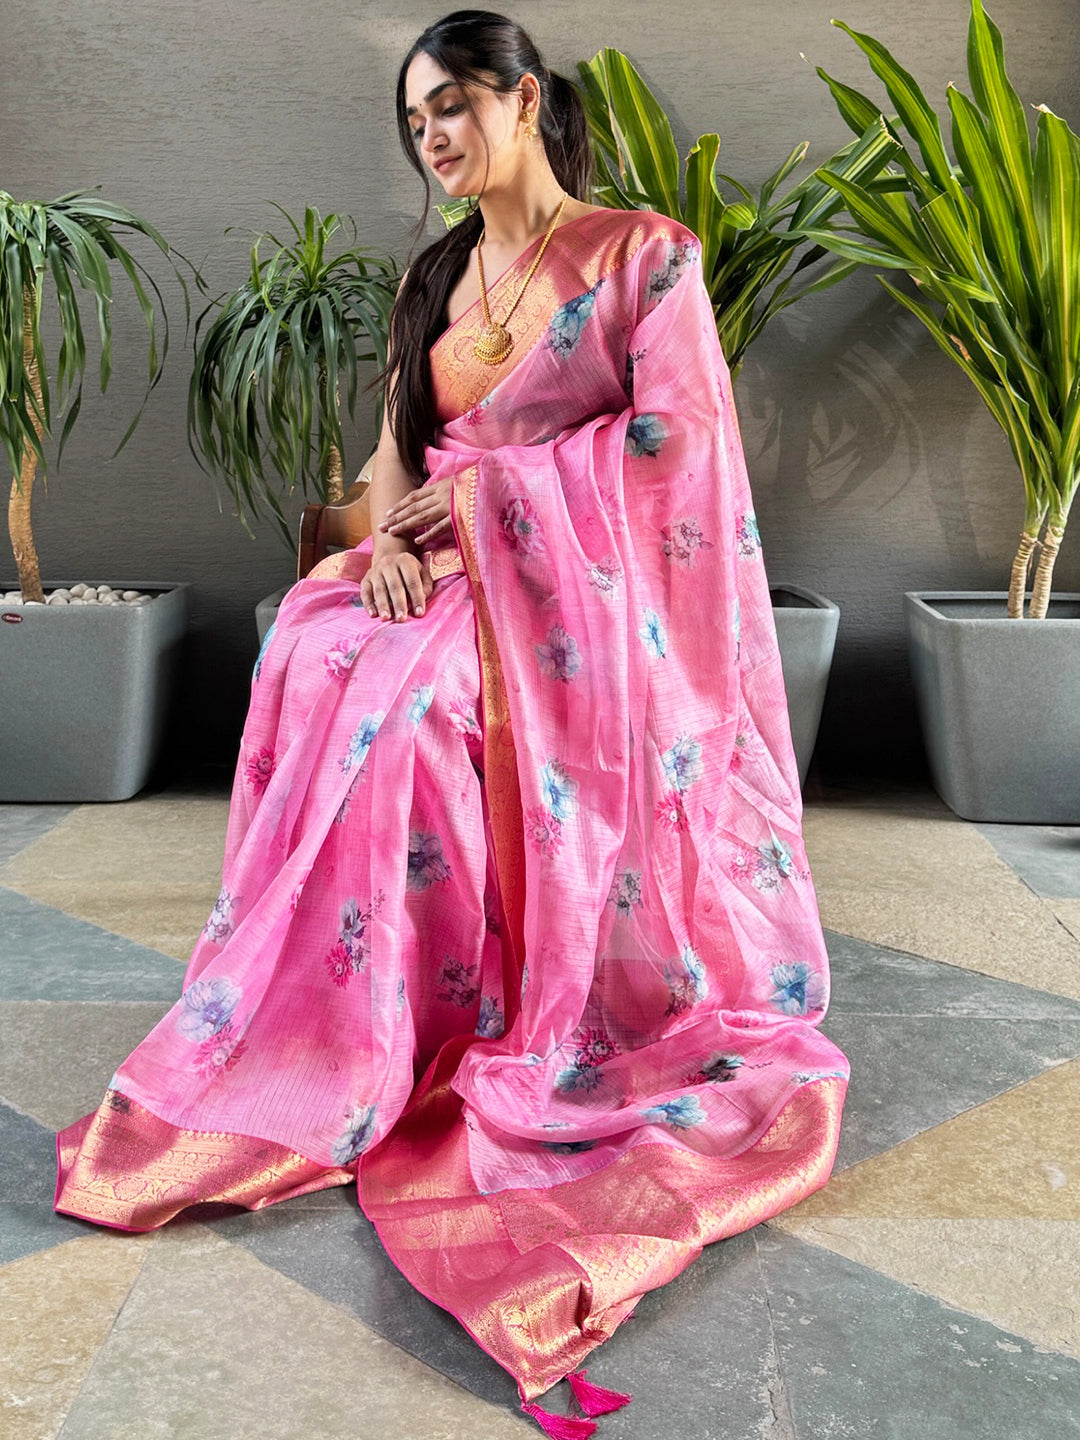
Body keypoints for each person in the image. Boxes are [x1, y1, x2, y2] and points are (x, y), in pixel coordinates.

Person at [55, 11, 848, 1435]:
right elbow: (397, 452)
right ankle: (364, 1017)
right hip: (441, 572)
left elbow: (677, 446)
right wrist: (398, 540)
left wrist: (490, 511)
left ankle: (480, 1014)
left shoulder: (638, 254)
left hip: (576, 611)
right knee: (314, 649)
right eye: (413, 119)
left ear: (523, 99)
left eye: (452, 107)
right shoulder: (435, 271)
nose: (431, 136)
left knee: (414, 710)